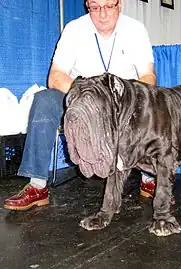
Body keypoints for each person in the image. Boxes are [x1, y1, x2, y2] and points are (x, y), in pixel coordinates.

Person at [4, 0, 156, 211]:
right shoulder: (74, 29)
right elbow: (55, 78)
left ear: (119, 5)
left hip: (122, 101)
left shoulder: (136, 30)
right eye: (95, 7)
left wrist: (127, 97)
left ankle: (149, 178)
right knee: (45, 100)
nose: (102, 14)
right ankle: (37, 185)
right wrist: (90, 94)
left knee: (150, 103)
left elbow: (148, 76)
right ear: (87, 5)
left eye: (108, 6)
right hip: (80, 98)